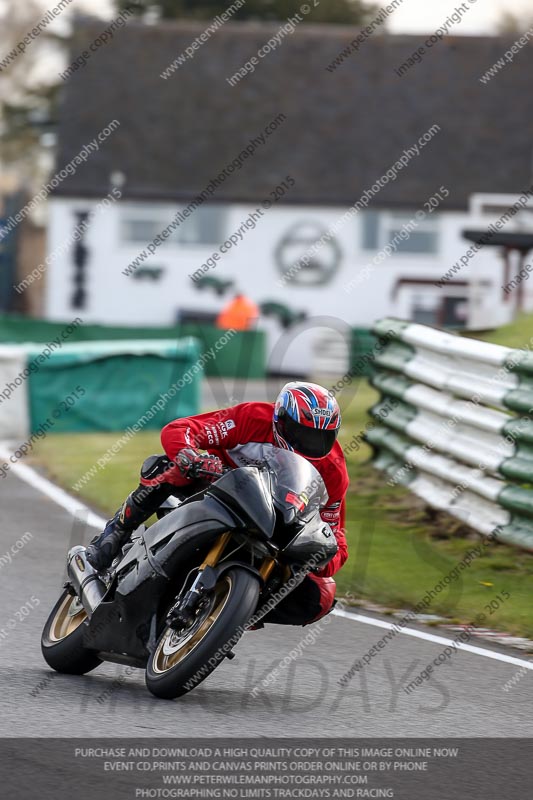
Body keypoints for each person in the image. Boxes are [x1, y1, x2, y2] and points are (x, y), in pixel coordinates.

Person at [86, 382, 349, 626]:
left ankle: (234, 613)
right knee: (165, 466)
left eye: (319, 438)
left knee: (321, 593)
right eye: (300, 432)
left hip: (275, 527)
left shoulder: (334, 470)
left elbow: (335, 533)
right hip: (220, 490)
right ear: (279, 419)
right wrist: (190, 456)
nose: (308, 444)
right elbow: (183, 429)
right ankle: (116, 533)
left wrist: (321, 554)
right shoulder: (252, 417)